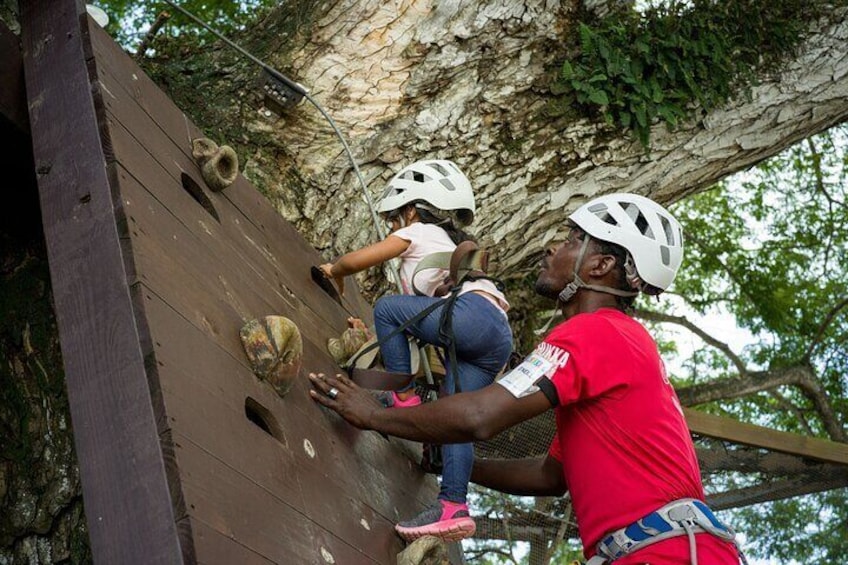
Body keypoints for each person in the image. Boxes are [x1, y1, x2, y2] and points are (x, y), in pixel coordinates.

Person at [310, 193, 744, 564]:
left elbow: (481, 415)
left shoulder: (596, 332)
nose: (553, 248)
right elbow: (550, 475)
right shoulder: (618, 346)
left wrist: (373, 415)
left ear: (599, 265)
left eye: (574, 239)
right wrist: (457, 463)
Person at [319, 159, 513, 541]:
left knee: (387, 307)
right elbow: (415, 334)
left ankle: (403, 398)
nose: (394, 228)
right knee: (455, 418)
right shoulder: (450, 247)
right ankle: (454, 506)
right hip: (496, 337)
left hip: (468, 316)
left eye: (395, 220)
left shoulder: (420, 230)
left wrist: (336, 271)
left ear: (411, 210)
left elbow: (361, 260)